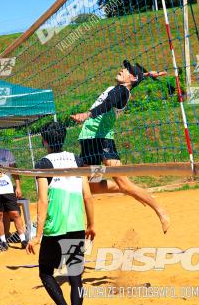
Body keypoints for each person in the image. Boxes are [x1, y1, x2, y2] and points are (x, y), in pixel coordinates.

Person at [71, 58, 171, 233]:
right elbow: (134, 80)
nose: (122, 70)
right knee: (93, 185)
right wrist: (148, 74)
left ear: (131, 79)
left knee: (123, 182)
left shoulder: (121, 91)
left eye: (127, 70)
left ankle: (159, 209)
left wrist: (88, 114)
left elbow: (107, 104)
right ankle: (129, 189)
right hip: (89, 142)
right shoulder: (121, 87)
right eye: (124, 68)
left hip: (102, 141)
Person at [26, 121, 95, 305]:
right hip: (76, 225)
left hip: (55, 228)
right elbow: (87, 196)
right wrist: (91, 224)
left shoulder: (43, 163)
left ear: (44, 141)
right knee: (76, 277)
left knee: (46, 273)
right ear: (63, 137)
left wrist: (37, 236)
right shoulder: (77, 159)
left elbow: (43, 201)